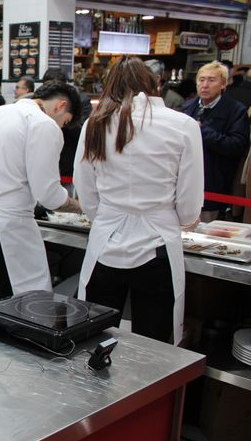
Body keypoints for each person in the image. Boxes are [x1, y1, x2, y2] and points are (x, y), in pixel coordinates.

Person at [74, 56, 204, 344]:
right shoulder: (183, 125)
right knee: (154, 342)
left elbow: (85, 190)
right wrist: (177, 218)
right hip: (157, 242)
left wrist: (106, 218)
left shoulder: (95, 124)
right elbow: (189, 201)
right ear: (154, 83)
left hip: (106, 238)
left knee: (95, 335)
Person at [0, 82, 82, 306]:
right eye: (66, 121)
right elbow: (49, 195)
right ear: (61, 106)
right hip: (6, 231)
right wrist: (81, 206)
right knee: (22, 310)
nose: (61, 127)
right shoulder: (42, 125)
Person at [181, 61, 250, 221]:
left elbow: (236, 146)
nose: (205, 85)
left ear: (223, 84)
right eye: (201, 80)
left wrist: (202, 131)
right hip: (185, 184)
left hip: (214, 186)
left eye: (211, 80)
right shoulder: (187, 107)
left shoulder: (235, 110)